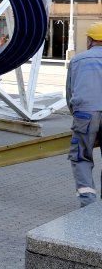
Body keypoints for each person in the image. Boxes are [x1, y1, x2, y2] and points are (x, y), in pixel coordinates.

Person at [66, 22, 102, 207]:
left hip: (85, 115)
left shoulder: (78, 60)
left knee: (81, 157)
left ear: (89, 40)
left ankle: (88, 202)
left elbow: (70, 93)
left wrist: (78, 120)